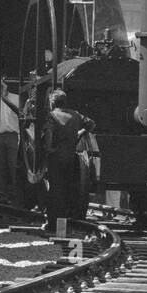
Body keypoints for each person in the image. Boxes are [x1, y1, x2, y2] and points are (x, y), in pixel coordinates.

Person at [43, 89, 96, 232]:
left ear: (53, 102)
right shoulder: (76, 115)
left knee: (55, 191)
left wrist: (49, 150)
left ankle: (53, 224)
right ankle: (64, 225)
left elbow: (49, 135)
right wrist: (78, 134)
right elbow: (91, 124)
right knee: (67, 191)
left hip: (56, 158)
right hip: (71, 157)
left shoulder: (52, 116)